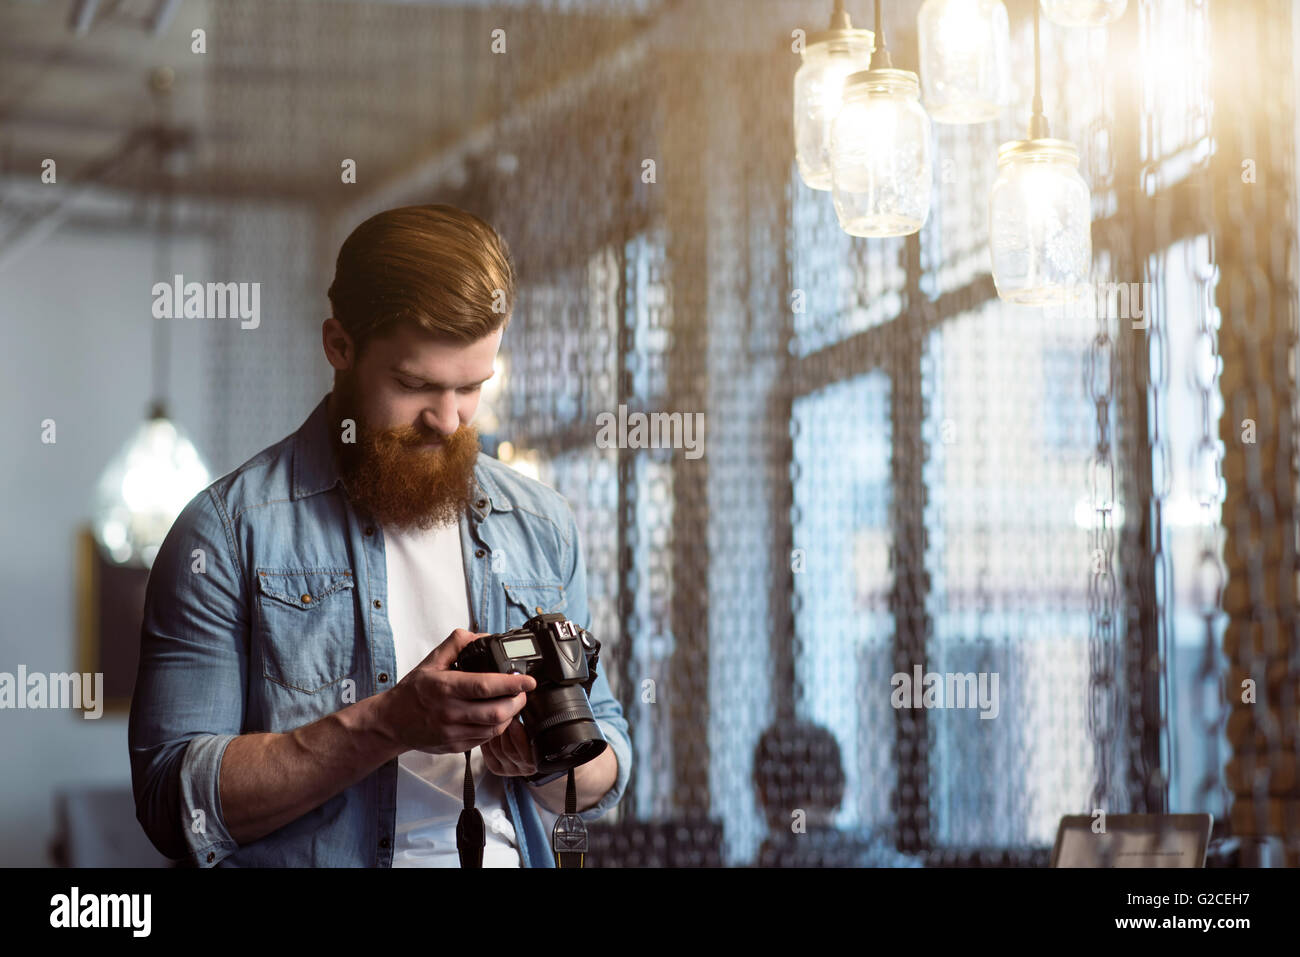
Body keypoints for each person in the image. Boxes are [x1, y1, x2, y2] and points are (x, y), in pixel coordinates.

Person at [128, 204, 631, 867]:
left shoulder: (540, 523)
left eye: (472, 387)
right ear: (339, 346)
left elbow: (605, 757)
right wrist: (393, 721)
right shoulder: (226, 532)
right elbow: (173, 800)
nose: (449, 421)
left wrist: (549, 755)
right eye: (415, 384)